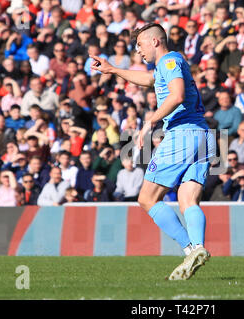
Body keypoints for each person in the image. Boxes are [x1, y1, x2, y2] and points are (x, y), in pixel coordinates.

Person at [91, 23, 216, 280]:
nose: (138, 51)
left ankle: (190, 249)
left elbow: (178, 95)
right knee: (187, 200)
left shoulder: (169, 61)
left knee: (147, 199)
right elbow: (149, 80)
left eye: (140, 45)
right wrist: (114, 70)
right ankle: (199, 247)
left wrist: (150, 121)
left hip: (182, 134)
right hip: (204, 136)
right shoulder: (168, 65)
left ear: (156, 42)